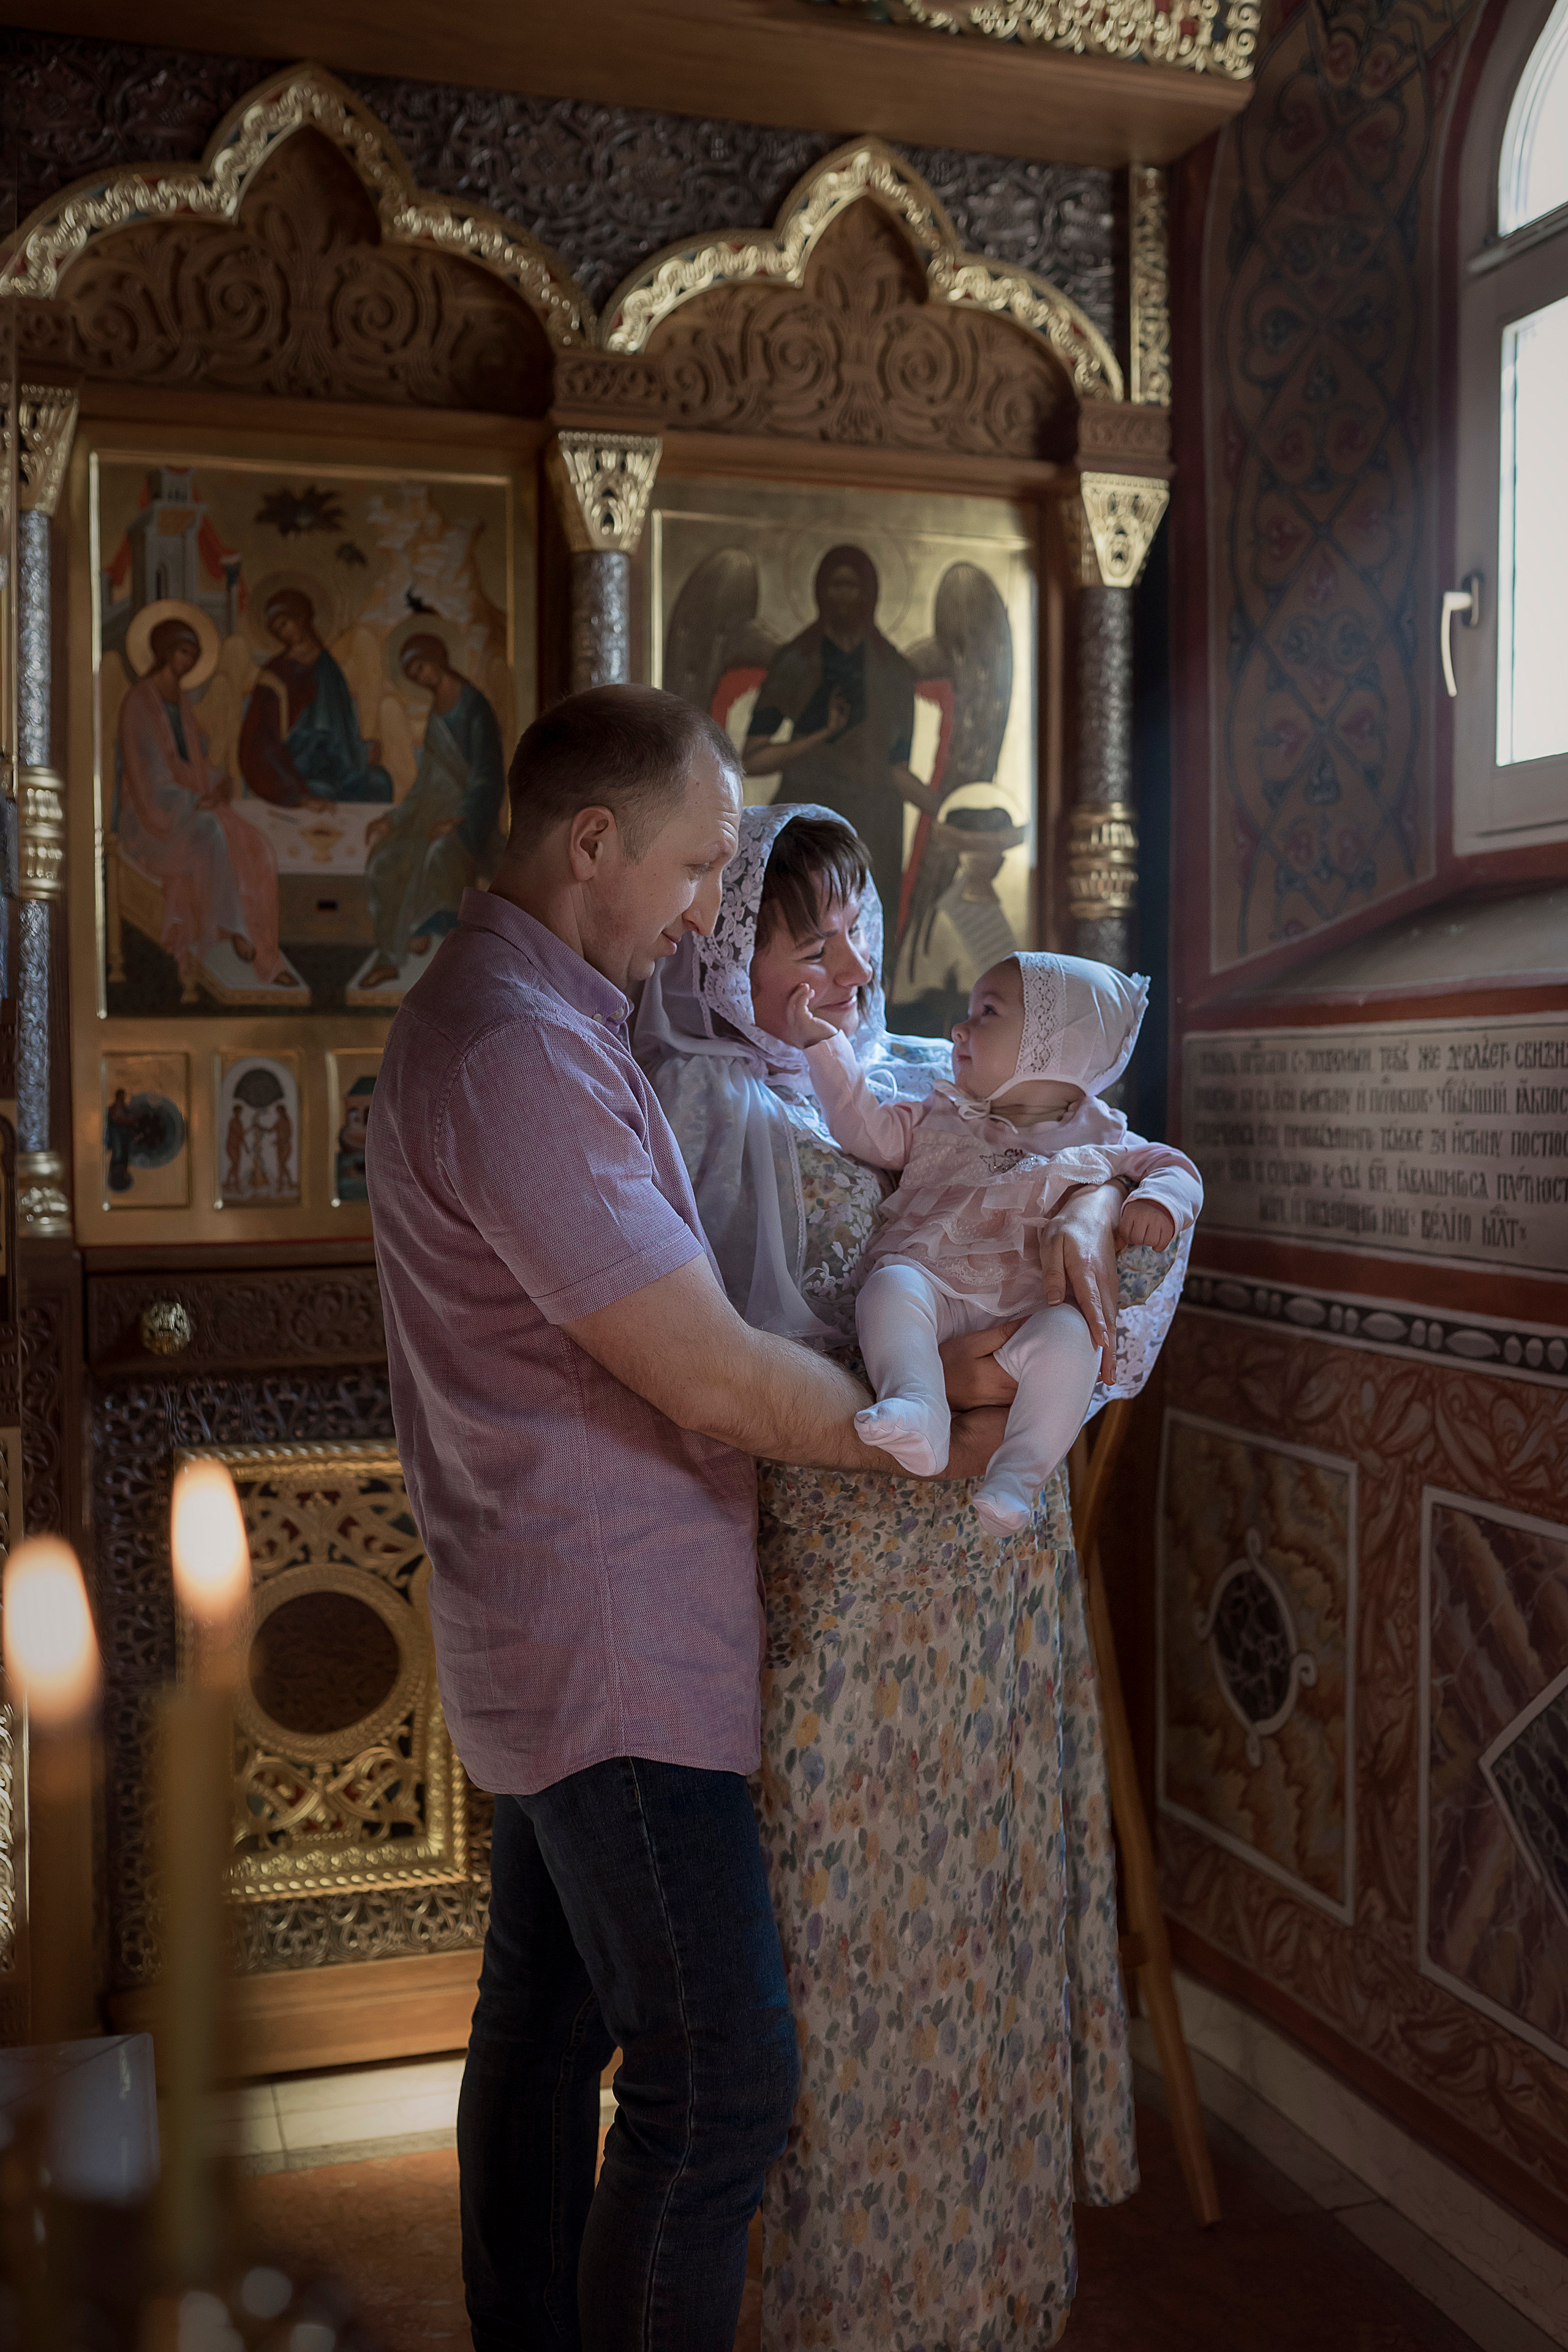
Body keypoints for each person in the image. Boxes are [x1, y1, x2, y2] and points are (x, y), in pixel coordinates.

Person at [366, 688, 1014, 2352]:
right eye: (697, 867)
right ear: (594, 845)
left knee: (542, 2020)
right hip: (611, 1634)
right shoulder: (520, 1049)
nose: (705, 908)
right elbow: (713, 1379)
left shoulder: (542, 1011)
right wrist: (932, 1426)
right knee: (721, 2087)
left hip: (560, 1614)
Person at [636, 802, 1183, 2351]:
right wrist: (964, 1370)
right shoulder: (692, 1105)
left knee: (981, 1929)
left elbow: (1109, 1173)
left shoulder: (917, 1079)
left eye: (856, 917)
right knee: (839, 1957)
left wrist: (1096, 1201)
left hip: (989, 1585)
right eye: (797, 927)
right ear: (720, 940)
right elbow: (724, 1371)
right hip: (841, 1577)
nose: (843, 960)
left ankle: (990, 2295)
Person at [794, 950, 1203, 1533]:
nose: (958, 1029)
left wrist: (1158, 1201)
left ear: (1055, 1046)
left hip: (1025, 1316)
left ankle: (1018, 1477)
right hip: (935, 1292)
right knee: (888, 1287)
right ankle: (918, 1404)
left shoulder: (1104, 1136)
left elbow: (1178, 1167)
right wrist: (824, 1047)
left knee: (1074, 1338)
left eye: (987, 1012)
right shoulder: (942, 1113)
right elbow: (868, 1131)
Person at [743, 545, 937, 925]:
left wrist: (947, 811)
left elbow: (897, 768)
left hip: (876, 824)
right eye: (836, 585)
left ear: (870, 595)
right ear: (820, 591)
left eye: (854, 587)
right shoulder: (795, 660)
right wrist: (819, 735)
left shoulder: (895, 671)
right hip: (810, 818)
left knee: (868, 934)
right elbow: (752, 759)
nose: (844, 597)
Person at [117, 616, 293, 990]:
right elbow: (147, 777)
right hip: (149, 819)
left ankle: (255, 934)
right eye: (182, 652)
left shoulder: (180, 703)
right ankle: (237, 929)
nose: (187, 662)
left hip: (184, 806)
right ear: (165, 651)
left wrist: (221, 784)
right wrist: (199, 799)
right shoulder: (139, 701)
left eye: (193, 655)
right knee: (214, 830)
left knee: (255, 843)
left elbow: (190, 766)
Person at [359, 634, 505, 990]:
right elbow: (426, 781)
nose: (422, 677)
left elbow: (488, 770)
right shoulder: (435, 712)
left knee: (438, 854)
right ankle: (397, 948)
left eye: (422, 667)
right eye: (414, 674)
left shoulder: (473, 706)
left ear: (438, 657)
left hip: (471, 817)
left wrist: (462, 817)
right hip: (429, 814)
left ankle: (418, 938)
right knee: (383, 860)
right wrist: (392, 818)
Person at [238, 587, 394, 807]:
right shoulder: (274, 675)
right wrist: (296, 792)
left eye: (284, 624)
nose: (282, 634)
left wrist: (362, 751)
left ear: (301, 618)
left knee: (379, 782)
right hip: (298, 768)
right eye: (276, 631)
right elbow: (261, 738)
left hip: (339, 766)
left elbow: (343, 725)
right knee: (321, 792)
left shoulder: (329, 666)